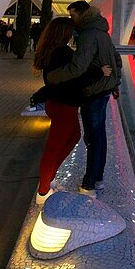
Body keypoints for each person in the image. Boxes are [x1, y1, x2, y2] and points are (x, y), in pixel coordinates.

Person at [43, 0, 122, 196]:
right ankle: (98, 178)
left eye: (72, 16)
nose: (72, 20)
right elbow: (117, 60)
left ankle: (89, 185)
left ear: (81, 14)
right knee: (99, 137)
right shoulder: (102, 32)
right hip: (104, 89)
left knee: (92, 138)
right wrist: (115, 83)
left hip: (93, 91)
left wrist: (52, 77)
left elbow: (77, 67)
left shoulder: (88, 34)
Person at [31, 17, 113, 205]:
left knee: (73, 136)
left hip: (61, 103)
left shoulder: (53, 51)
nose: (73, 34)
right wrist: (99, 72)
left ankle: (49, 179)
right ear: (63, 33)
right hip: (63, 104)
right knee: (54, 146)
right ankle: (43, 191)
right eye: (70, 31)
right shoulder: (61, 53)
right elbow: (74, 78)